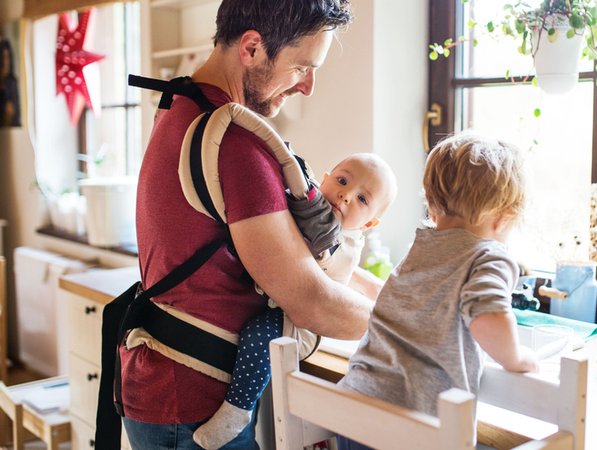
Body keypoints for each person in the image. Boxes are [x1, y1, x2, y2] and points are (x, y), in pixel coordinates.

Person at [122, 1, 374, 449]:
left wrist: (389, 295)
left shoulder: (182, 105)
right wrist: (410, 325)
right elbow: (311, 302)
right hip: (192, 407)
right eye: (301, 68)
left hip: (165, 388)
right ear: (253, 48)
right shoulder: (236, 146)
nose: (308, 87)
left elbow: (289, 260)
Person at [337, 132, 540, 450]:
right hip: (413, 424)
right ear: (503, 219)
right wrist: (518, 358)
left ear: (432, 208)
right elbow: (487, 319)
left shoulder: (421, 246)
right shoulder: (490, 255)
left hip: (353, 406)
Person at [193, 152, 398, 449]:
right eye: (342, 181)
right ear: (325, 179)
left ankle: (237, 410)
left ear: (369, 224)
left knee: (257, 335)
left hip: (301, 327)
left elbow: (327, 270)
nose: (345, 195)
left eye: (362, 200)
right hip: (283, 305)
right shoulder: (320, 216)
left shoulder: (340, 240)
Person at [0, 38, 21, 127]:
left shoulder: (13, 82)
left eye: (8, 57)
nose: (6, 62)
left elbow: (15, 113)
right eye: (4, 57)